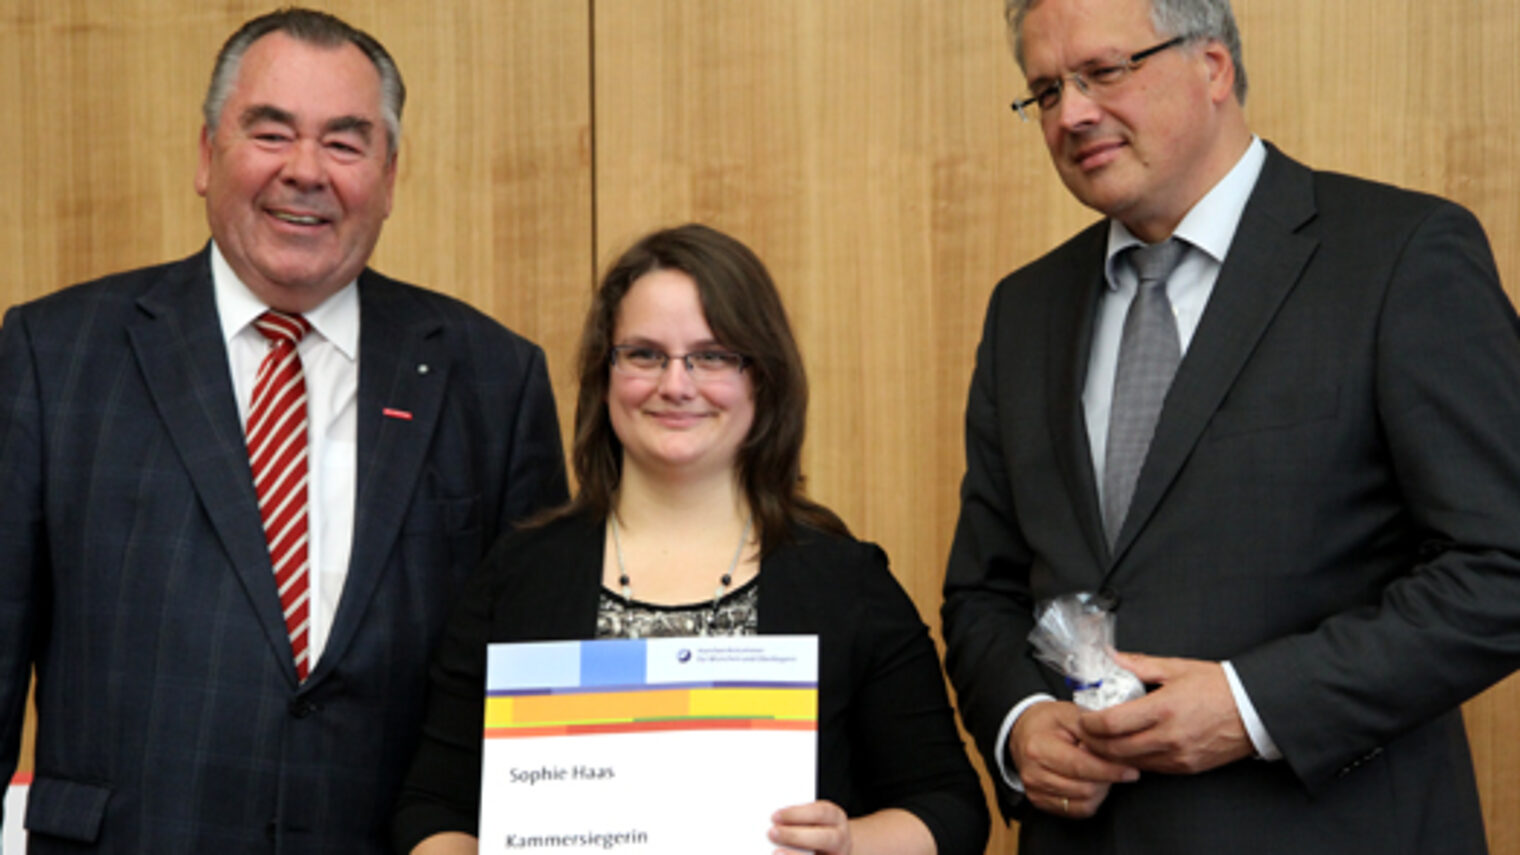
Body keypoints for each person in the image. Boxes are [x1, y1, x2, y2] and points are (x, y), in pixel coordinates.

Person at [941, 0, 1520, 852]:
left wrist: (1254, 706)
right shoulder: (1024, 310)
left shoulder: (1400, 256)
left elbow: (1502, 567)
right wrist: (1023, 724)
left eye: (1104, 73)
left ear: (1213, 67)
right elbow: (985, 591)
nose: (1072, 114)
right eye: (1046, 91)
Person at [0, 9, 568, 852]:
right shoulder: (56, 354)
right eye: (270, 133)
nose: (306, 172)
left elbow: (537, 693)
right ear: (206, 155)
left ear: (389, 173)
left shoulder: (493, 378)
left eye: (345, 143)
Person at [392, 223, 989, 855]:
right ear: (605, 373)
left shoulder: (846, 581)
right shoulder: (519, 576)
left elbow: (950, 811)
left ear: (763, 376)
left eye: (712, 355)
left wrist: (847, 843)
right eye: (644, 354)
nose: (675, 385)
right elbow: (433, 806)